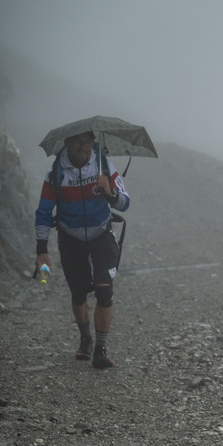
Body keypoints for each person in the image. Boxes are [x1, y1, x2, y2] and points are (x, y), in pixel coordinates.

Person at [34, 131, 130, 369]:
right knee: (78, 294)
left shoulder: (103, 164)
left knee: (104, 292)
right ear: (67, 143)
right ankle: (86, 339)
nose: (83, 148)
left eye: (87, 143)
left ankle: (100, 349)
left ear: (93, 144)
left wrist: (110, 193)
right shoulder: (56, 172)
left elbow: (125, 203)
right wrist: (42, 251)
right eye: (77, 142)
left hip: (101, 235)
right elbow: (43, 213)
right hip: (70, 238)